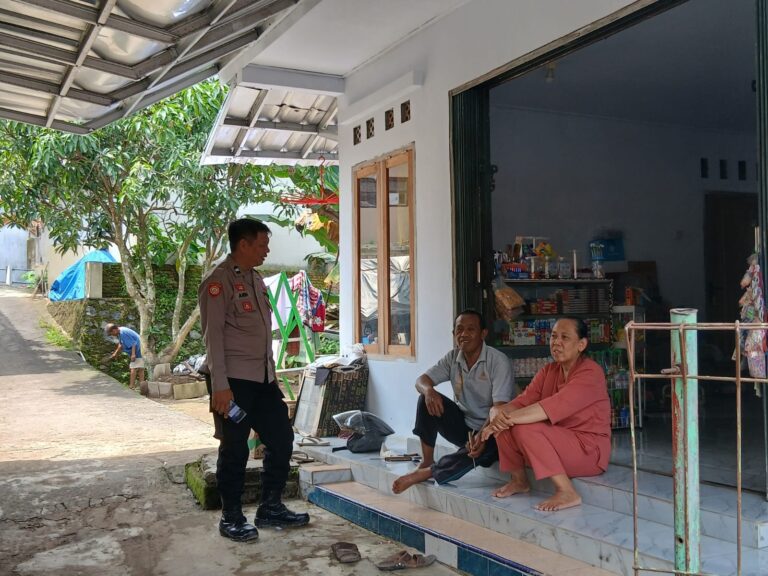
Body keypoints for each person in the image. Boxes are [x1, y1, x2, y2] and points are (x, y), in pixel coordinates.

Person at [199, 218, 309, 543]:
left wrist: (271, 376)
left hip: (262, 380)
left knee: (282, 438)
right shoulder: (218, 281)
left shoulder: (256, 279)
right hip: (233, 382)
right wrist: (220, 386)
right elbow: (213, 337)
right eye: (262, 244)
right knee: (235, 448)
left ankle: (270, 506)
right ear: (243, 244)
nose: (267, 251)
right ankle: (231, 517)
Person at [480, 317, 610, 512]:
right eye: (554, 336)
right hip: (558, 443)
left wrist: (503, 420)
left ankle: (567, 491)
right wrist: (496, 412)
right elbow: (522, 402)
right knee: (505, 423)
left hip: (589, 451)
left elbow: (549, 407)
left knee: (523, 428)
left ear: (581, 345)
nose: (556, 342)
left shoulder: (591, 373)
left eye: (565, 337)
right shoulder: (549, 370)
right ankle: (519, 481)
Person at [392, 310, 514, 494]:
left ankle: (429, 472)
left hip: (493, 430)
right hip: (465, 427)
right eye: (459, 329)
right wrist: (429, 391)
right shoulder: (453, 357)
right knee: (425, 399)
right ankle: (427, 461)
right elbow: (421, 381)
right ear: (454, 334)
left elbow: (499, 408)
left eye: (471, 329)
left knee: (483, 448)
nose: (464, 334)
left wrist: (481, 436)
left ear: (483, 334)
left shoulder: (498, 361)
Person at [105, 323, 145, 389]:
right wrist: (115, 354)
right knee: (140, 368)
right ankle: (142, 386)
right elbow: (121, 344)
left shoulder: (123, 333)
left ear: (114, 330)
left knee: (133, 368)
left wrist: (133, 354)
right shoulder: (121, 331)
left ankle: (132, 386)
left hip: (138, 350)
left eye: (111, 334)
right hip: (140, 349)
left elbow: (133, 343)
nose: (112, 335)